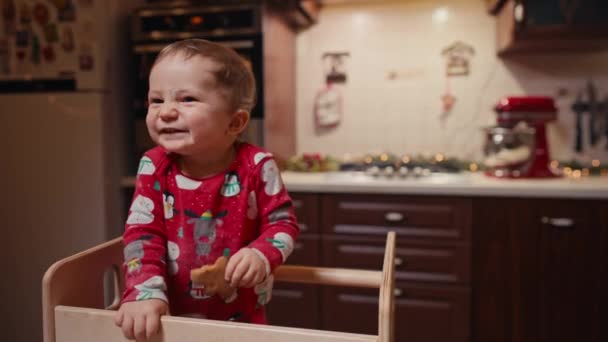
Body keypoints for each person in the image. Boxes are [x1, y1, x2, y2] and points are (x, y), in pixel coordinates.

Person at [114, 39, 299, 341]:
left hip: (242, 321)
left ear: (235, 121)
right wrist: (144, 292)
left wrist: (262, 254)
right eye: (156, 100)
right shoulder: (153, 165)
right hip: (169, 320)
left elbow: (283, 224)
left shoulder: (257, 165)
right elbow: (142, 234)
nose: (166, 112)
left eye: (187, 99)